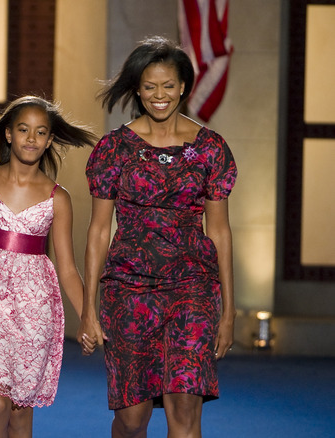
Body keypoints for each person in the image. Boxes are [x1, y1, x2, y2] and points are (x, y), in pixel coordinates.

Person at [78, 35, 237, 438]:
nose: (159, 95)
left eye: (168, 85)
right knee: (132, 420)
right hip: (128, 289)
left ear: (184, 86)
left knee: (184, 412)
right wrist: (88, 308)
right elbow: (99, 230)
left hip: (193, 288)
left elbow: (219, 229)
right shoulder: (115, 149)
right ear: (137, 88)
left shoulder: (211, 149)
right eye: (149, 86)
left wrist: (229, 310)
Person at [0, 96, 97, 437]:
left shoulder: (58, 197)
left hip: (34, 308)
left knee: (20, 412)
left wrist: (88, 315)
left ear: (49, 140)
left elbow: (68, 269)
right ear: (9, 134)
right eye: (24, 129)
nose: (32, 138)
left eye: (41, 132)